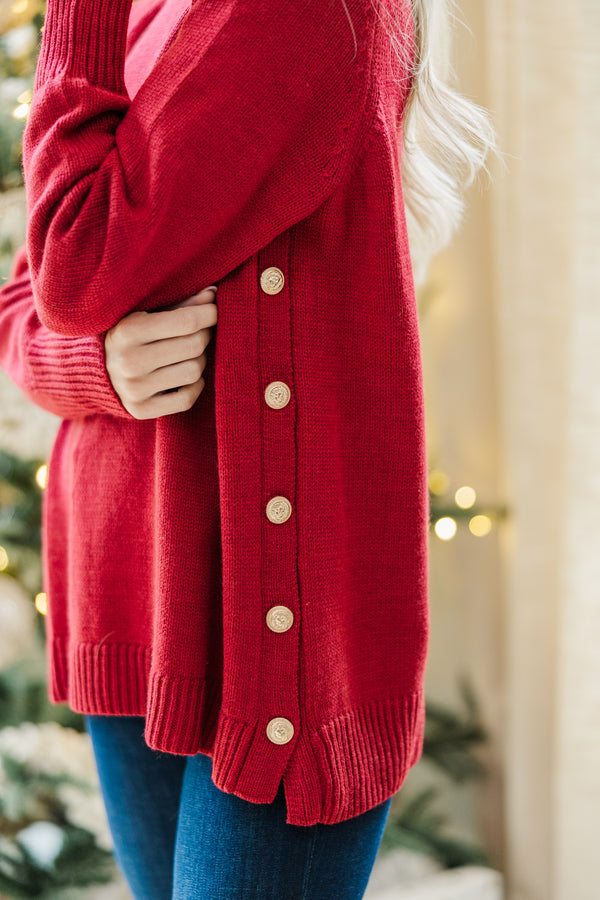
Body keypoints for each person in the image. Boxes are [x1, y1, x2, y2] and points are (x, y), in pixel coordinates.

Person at [0, 0, 498, 896]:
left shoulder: (297, 12)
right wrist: (98, 368)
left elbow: (76, 265)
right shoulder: (156, 10)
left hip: (265, 648)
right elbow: (24, 304)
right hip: (140, 606)